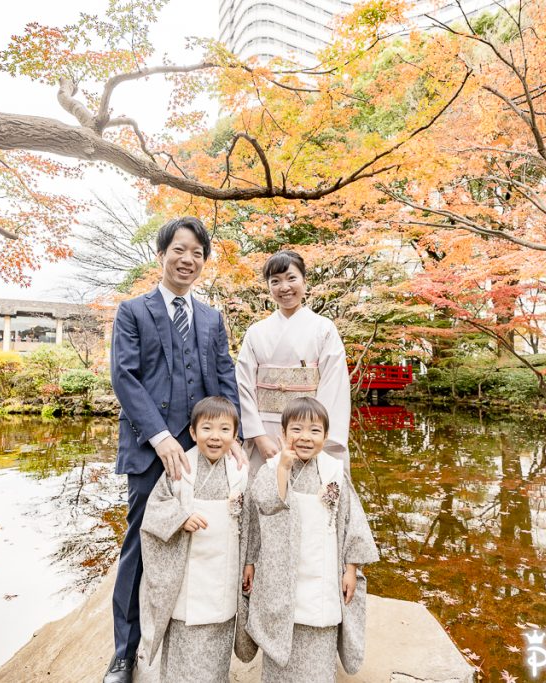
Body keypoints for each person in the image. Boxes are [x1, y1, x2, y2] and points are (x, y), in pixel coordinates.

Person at [105, 217, 245, 683]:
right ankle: (125, 653)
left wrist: (234, 436)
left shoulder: (210, 317)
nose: (188, 260)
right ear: (162, 253)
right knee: (141, 545)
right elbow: (125, 378)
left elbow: (224, 377)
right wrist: (161, 438)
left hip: (206, 448)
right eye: (179, 250)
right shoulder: (133, 311)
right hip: (152, 451)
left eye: (197, 253)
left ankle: (186, 635)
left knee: (207, 538)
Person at [243, 397, 378, 682]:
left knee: (317, 657)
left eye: (315, 431)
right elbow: (263, 508)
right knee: (280, 655)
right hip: (280, 575)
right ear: (283, 433)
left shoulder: (333, 472)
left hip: (322, 576)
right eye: (297, 429)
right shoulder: (270, 470)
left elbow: (352, 522)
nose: (305, 437)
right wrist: (282, 469)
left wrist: (351, 568)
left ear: (326, 436)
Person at [136, 397, 255, 681]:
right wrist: (180, 519)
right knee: (182, 648)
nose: (215, 437)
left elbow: (251, 520)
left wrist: (250, 561)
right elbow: (155, 509)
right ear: (192, 432)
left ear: (235, 436)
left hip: (223, 571)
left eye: (225, 429)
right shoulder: (180, 469)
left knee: (217, 645)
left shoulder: (240, 472)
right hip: (187, 577)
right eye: (207, 428)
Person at [235, 250, 351, 473]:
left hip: (311, 433)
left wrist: (316, 437)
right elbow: (243, 387)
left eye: (291, 278)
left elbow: (334, 387)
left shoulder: (324, 329)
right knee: (266, 496)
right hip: (267, 431)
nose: (284, 287)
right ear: (268, 287)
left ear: (305, 282)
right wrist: (258, 437)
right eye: (275, 281)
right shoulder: (256, 332)